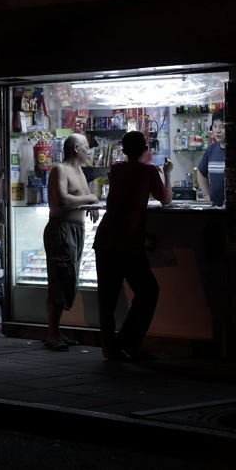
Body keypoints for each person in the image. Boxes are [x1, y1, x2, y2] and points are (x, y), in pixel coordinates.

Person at [91, 130, 172, 361]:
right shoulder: (149, 171)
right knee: (148, 291)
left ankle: (110, 349)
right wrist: (166, 173)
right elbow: (166, 200)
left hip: (105, 239)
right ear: (146, 150)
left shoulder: (116, 169)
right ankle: (130, 341)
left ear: (123, 150)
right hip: (128, 241)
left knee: (107, 298)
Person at [41, 132, 99, 351]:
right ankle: (51, 333)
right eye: (86, 147)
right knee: (60, 277)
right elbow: (64, 200)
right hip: (61, 229)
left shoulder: (80, 171)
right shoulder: (59, 169)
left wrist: (90, 204)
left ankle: (56, 331)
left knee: (69, 278)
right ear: (75, 148)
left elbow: (80, 198)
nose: (88, 150)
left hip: (76, 229)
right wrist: (91, 198)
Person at [197, 107, 226, 206]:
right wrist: (206, 194)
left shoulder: (235, 152)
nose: (217, 131)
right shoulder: (211, 149)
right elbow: (200, 172)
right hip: (214, 208)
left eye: (222, 127)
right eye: (215, 126)